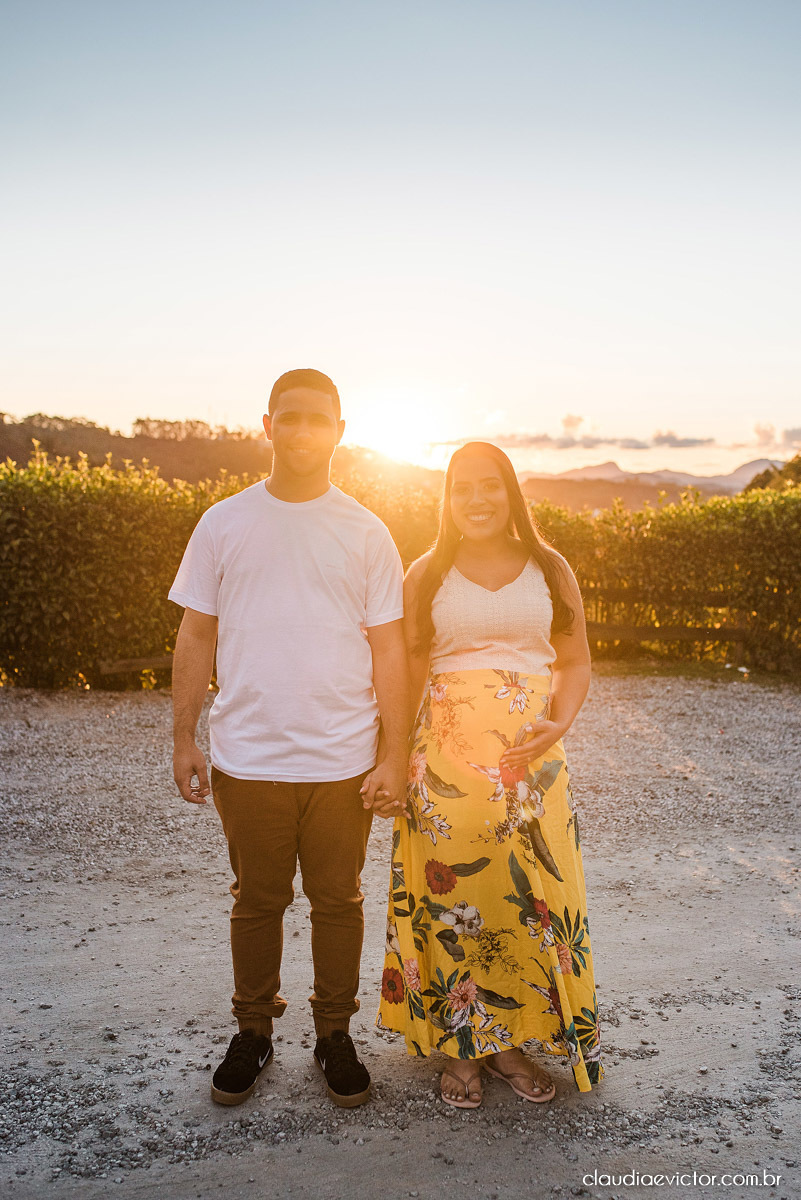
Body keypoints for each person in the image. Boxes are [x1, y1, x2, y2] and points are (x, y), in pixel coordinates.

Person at [169, 368, 409, 1109]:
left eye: (319, 419)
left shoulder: (366, 531)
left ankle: (334, 1034)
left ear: (339, 430)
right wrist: (184, 737)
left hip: (342, 758)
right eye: (291, 417)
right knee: (258, 900)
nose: (304, 430)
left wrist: (394, 753)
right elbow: (195, 632)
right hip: (248, 754)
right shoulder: (223, 522)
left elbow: (390, 649)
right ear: (267, 425)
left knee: (338, 901)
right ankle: (253, 1031)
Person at [377, 441, 602, 1107]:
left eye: (489, 486)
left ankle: (511, 1042)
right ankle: (463, 1047)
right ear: (445, 500)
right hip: (446, 769)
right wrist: (391, 758)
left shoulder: (548, 565)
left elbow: (576, 661)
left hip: (532, 768)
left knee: (530, 904)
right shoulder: (427, 572)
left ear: (510, 493)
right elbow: (405, 673)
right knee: (455, 906)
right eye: (460, 488)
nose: (475, 499)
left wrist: (557, 724)